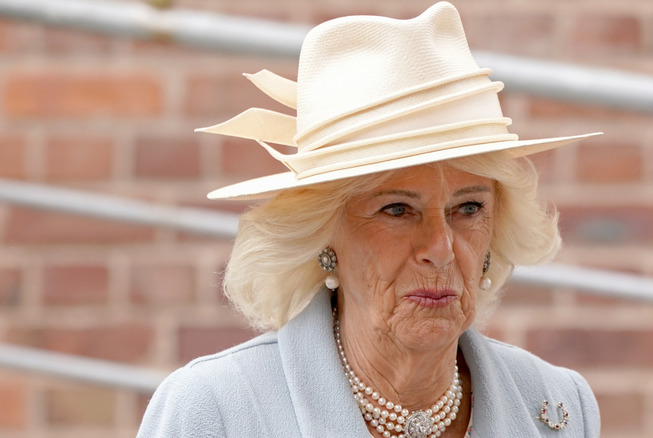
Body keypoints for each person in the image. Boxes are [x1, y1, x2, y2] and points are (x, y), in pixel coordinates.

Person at [138, 2, 602, 437]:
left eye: (468, 208)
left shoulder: (558, 407)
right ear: (324, 235)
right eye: (397, 210)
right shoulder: (213, 411)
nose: (440, 247)